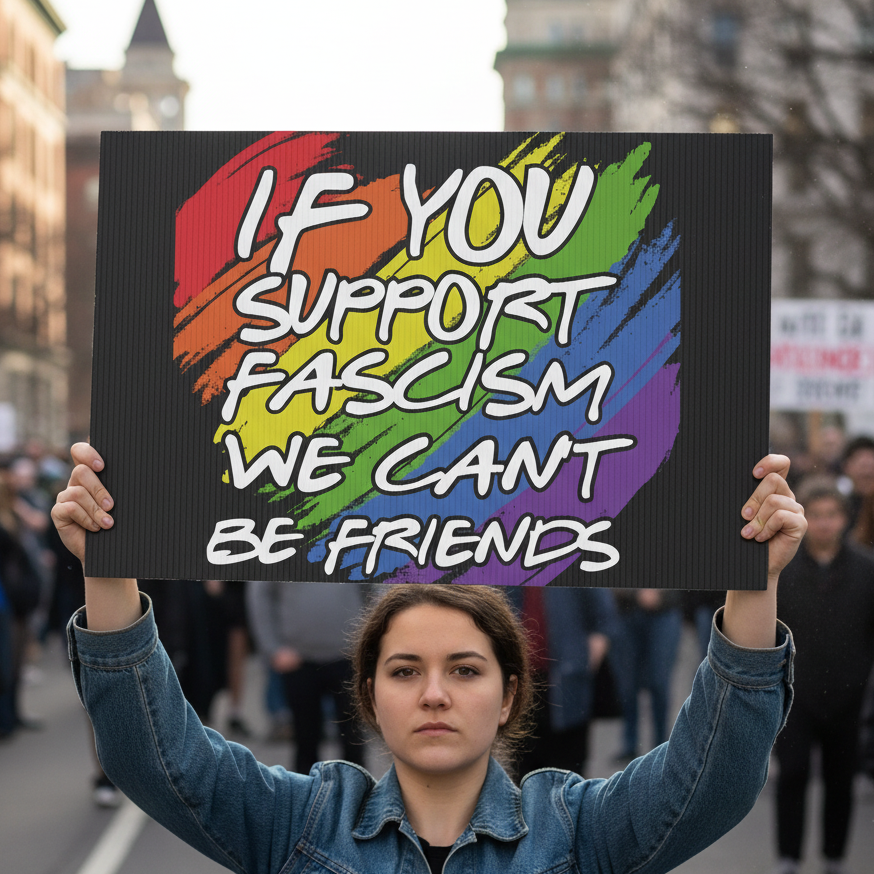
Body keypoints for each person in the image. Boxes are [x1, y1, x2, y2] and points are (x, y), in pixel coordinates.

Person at [53, 444, 805, 874]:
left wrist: (755, 583)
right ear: (369, 694)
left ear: (510, 695)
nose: (435, 693)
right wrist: (108, 570)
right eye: (405, 670)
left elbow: (713, 781)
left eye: (467, 669)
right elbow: (157, 759)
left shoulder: (578, 831)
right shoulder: (298, 821)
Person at [770, 476, 874, 874]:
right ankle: (788, 858)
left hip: (849, 695)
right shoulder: (784, 569)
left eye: (832, 515)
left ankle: (834, 858)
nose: (825, 523)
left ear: (845, 519)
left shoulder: (866, 570)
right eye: (816, 515)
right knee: (792, 775)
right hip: (796, 694)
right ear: (805, 517)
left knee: (840, 781)